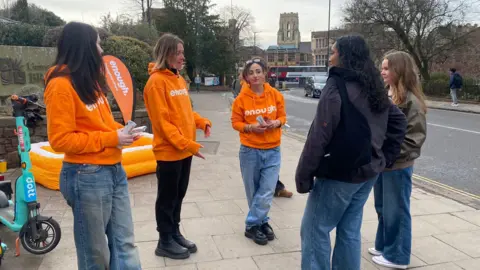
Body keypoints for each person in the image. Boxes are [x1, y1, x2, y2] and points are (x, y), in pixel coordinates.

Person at [296, 35, 406, 270]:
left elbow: (319, 136)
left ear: (345, 56)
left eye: (334, 51)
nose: (330, 55)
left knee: (315, 229)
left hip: (340, 174)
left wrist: (303, 175)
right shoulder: (372, 84)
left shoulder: (336, 86)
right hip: (368, 173)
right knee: (349, 230)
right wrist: (385, 157)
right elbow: (398, 121)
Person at [44, 22, 141, 269]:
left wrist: (122, 132)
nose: (101, 49)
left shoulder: (90, 83)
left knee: (124, 243)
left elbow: (101, 126)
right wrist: (112, 138)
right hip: (86, 176)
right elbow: (60, 140)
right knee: (95, 252)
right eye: (97, 43)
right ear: (84, 46)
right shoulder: (60, 86)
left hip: (114, 170)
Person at [143, 33, 212, 260]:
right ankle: (164, 240)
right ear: (167, 54)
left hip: (184, 150)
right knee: (167, 198)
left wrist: (200, 122)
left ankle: (174, 232)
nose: (183, 57)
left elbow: (184, 112)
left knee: (179, 194)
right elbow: (163, 124)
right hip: (169, 151)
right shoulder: (155, 83)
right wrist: (188, 144)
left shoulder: (178, 79)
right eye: (179, 52)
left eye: (183, 52)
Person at [371, 50, 427, 269]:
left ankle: (398, 257)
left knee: (397, 211)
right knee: (383, 207)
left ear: (398, 70)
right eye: (382, 68)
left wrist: (389, 155)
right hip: (383, 163)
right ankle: (384, 245)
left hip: (397, 165)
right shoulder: (387, 94)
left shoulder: (412, 102)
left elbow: (414, 140)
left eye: (386, 68)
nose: (382, 72)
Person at [231, 57, 287, 246]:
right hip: (250, 151)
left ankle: (252, 224)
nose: (255, 75)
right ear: (246, 77)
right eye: (251, 73)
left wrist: (276, 123)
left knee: (267, 190)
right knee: (254, 191)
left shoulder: (275, 95)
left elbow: (282, 116)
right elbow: (236, 123)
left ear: (265, 73)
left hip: (272, 150)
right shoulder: (241, 99)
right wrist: (251, 128)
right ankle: (262, 223)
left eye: (258, 71)